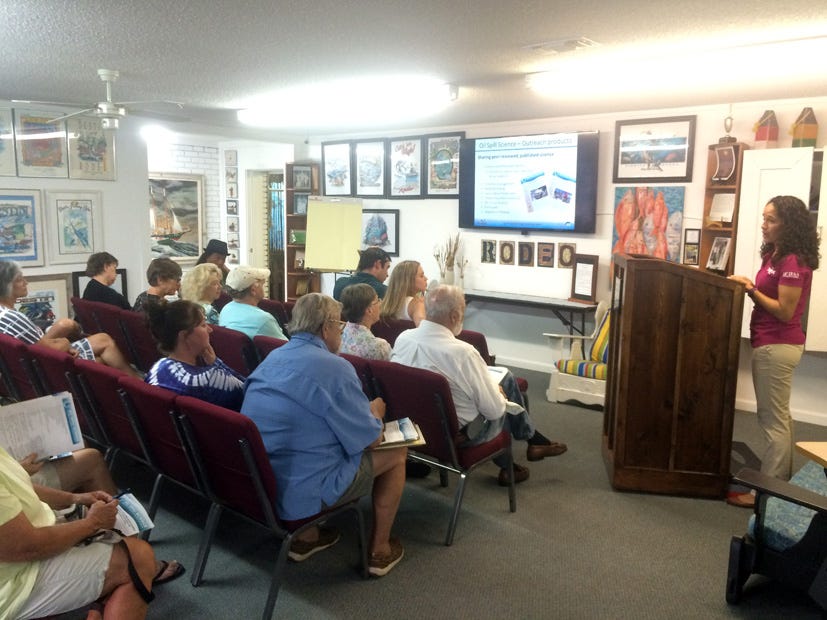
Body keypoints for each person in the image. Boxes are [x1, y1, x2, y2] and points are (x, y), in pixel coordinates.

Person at [241, 293, 406, 577]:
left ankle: (307, 538)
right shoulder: (336, 367)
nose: (341, 334)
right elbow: (371, 440)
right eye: (340, 327)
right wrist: (375, 413)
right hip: (304, 489)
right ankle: (379, 550)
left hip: (261, 480)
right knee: (397, 452)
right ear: (326, 327)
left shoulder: (273, 356)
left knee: (309, 436)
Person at [392, 284, 567, 486]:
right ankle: (523, 450)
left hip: (414, 430)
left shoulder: (403, 339)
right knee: (503, 394)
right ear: (456, 316)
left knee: (501, 383)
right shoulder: (463, 353)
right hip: (455, 437)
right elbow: (494, 413)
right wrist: (499, 396)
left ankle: (523, 452)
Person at [728, 195, 820, 507]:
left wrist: (750, 289)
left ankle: (764, 495)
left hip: (777, 346)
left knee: (773, 422)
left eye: (771, 220)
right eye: (764, 218)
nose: (763, 225)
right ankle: (780, 487)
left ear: (788, 224)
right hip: (770, 343)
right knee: (779, 418)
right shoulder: (775, 254)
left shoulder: (793, 261)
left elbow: (783, 311)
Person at [0, 445, 157, 620]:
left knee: (118, 532)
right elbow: (27, 547)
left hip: (29, 539)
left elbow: (18, 486)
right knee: (138, 558)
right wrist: (92, 523)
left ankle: (98, 605)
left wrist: (74, 498)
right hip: (15, 582)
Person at [0, 261, 141, 378]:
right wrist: (66, 342)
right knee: (103, 343)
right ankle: (137, 383)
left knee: (101, 357)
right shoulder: (13, 318)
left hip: (26, 370)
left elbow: (39, 343)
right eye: (19, 279)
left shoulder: (4, 313)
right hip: (46, 370)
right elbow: (49, 350)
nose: (25, 282)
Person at [145, 300, 245, 411]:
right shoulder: (210, 379)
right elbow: (249, 391)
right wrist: (216, 362)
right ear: (184, 336)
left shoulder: (156, 369)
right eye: (203, 325)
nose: (210, 329)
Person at [219, 266, 287, 340]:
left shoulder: (225, 309)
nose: (263, 287)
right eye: (262, 284)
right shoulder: (264, 319)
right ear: (253, 290)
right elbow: (285, 347)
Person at [339, 283, 391, 361]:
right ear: (369, 310)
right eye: (377, 300)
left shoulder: (337, 336)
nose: (381, 303)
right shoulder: (380, 347)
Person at [380, 260, 427, 325]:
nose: (426, 278)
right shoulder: (416, 305)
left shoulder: (385, 305)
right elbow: (424, 330)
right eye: (421, 276)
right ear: (408, 281)